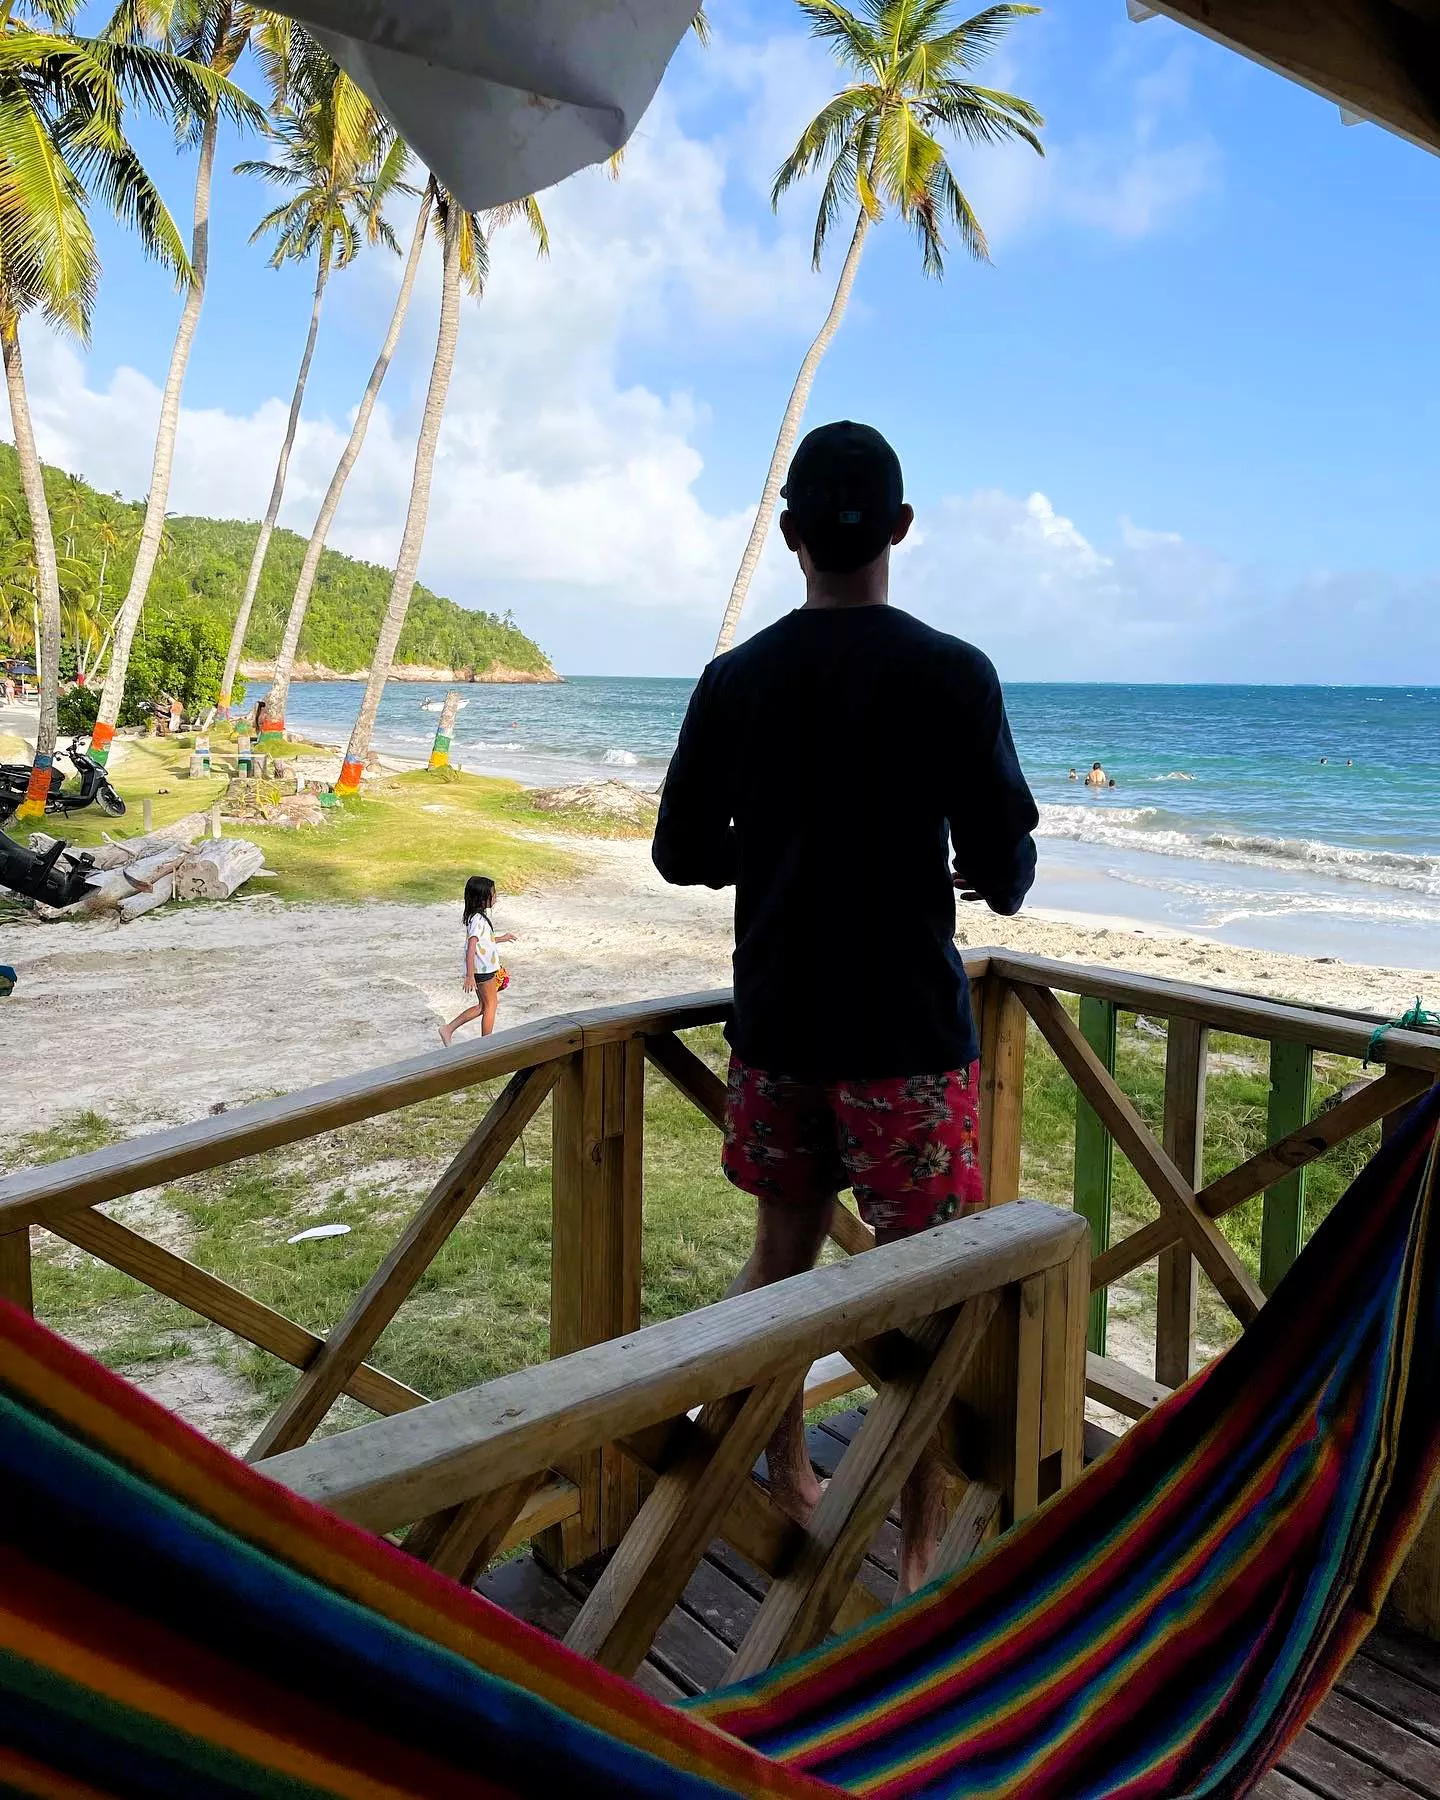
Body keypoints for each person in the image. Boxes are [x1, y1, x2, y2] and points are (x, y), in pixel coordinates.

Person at [653, 420, 1037, 1597]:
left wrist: (761, 853)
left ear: (790, 538)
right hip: (908, 1039)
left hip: (778, 1022)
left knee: (781, 1252)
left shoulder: (738, 680)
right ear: (902, 531)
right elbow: (1005, 864)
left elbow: (678, 851)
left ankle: (784, 1481)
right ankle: (916, 1549)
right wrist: (975, 873)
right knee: (922, 1291)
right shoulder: (952, 672)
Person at [439, 874, 515, 1046]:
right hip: (482, 971)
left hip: (483, 969)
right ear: (482, 899)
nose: (495, 897)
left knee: (483, 1006)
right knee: (491, 1006)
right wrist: (469, 975)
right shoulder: (478, 920)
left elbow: (484, 941)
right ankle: (486, 1046)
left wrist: (501, 938)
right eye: (493, 894)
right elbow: (471, 946)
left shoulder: (476, 918)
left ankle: (448, 1029)